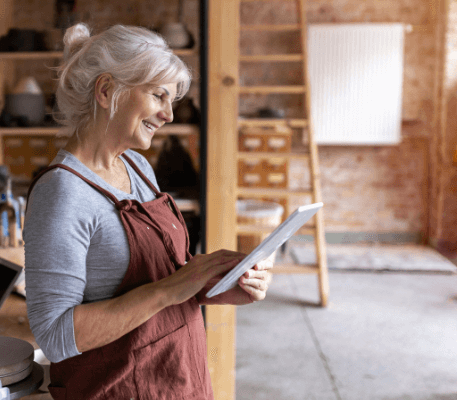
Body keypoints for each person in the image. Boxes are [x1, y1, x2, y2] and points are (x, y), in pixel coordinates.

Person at [23, 23, 273, 399]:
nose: (168, 115)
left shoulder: (138, 166)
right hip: (118, 389)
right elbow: (55, 335)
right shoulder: (62, 193)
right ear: (107, 91)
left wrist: (221, 285)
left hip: (176, 378)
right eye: (158, 96)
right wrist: (172, 289)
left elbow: (164, 277)